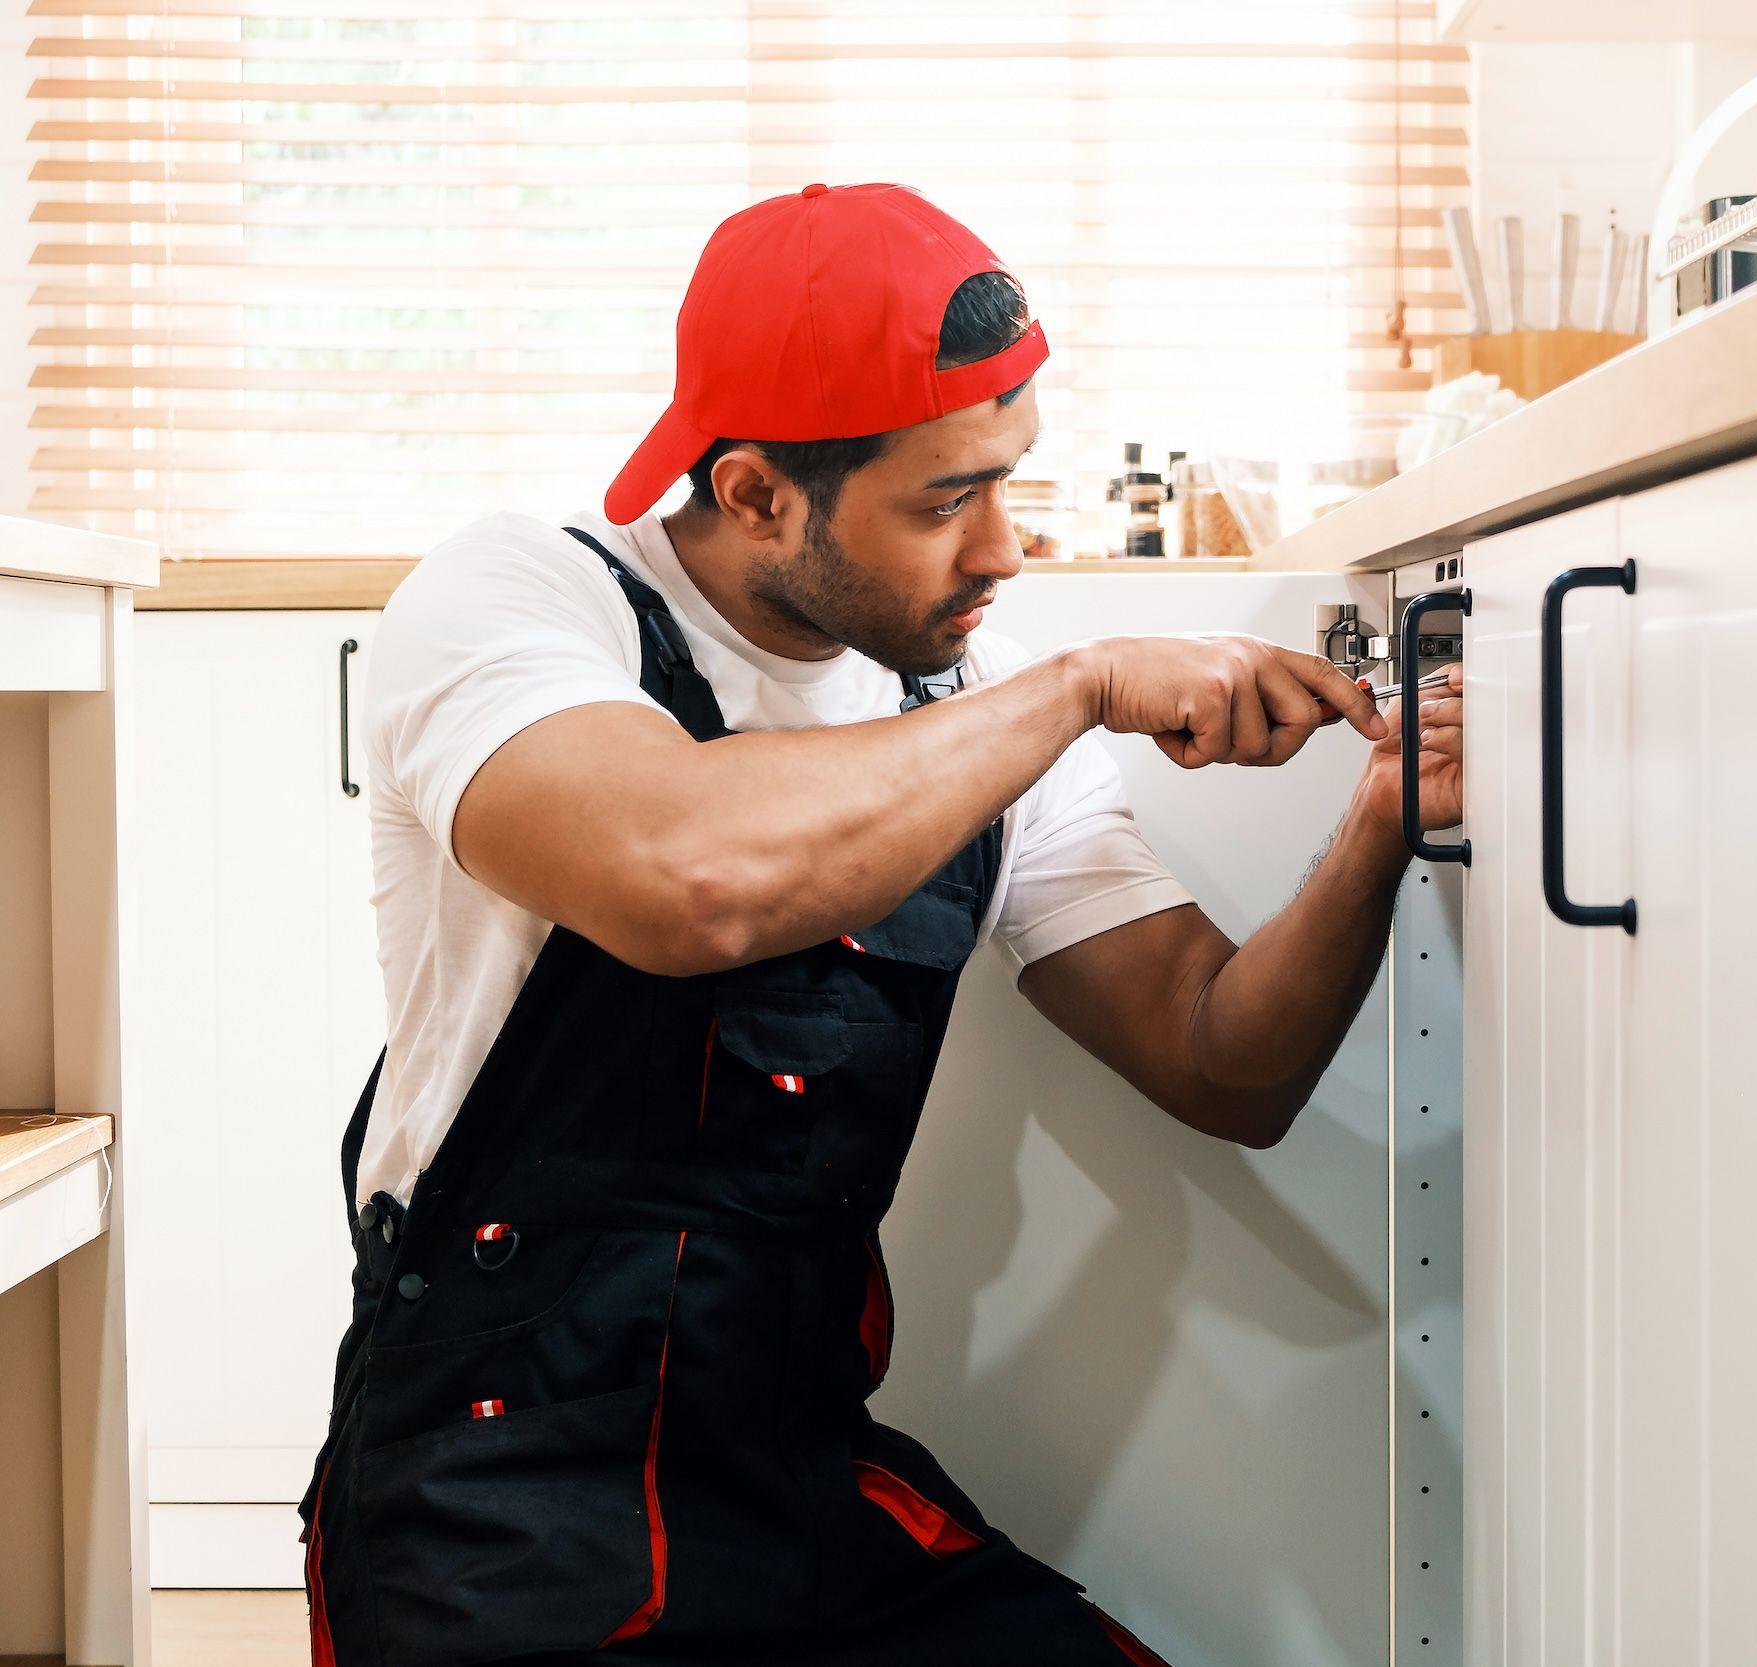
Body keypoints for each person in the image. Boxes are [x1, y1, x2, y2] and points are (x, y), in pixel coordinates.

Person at [295, 182, 1465, 1667]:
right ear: (755, 493)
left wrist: (1380, 823)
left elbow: (1222, 1061)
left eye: (1008, 482)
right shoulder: (522, 599)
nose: (1004, 552)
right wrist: (1080, 688)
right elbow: (685, 874)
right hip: (497, 1494)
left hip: (791, 1478)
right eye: (946, 501)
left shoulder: (975, 705)